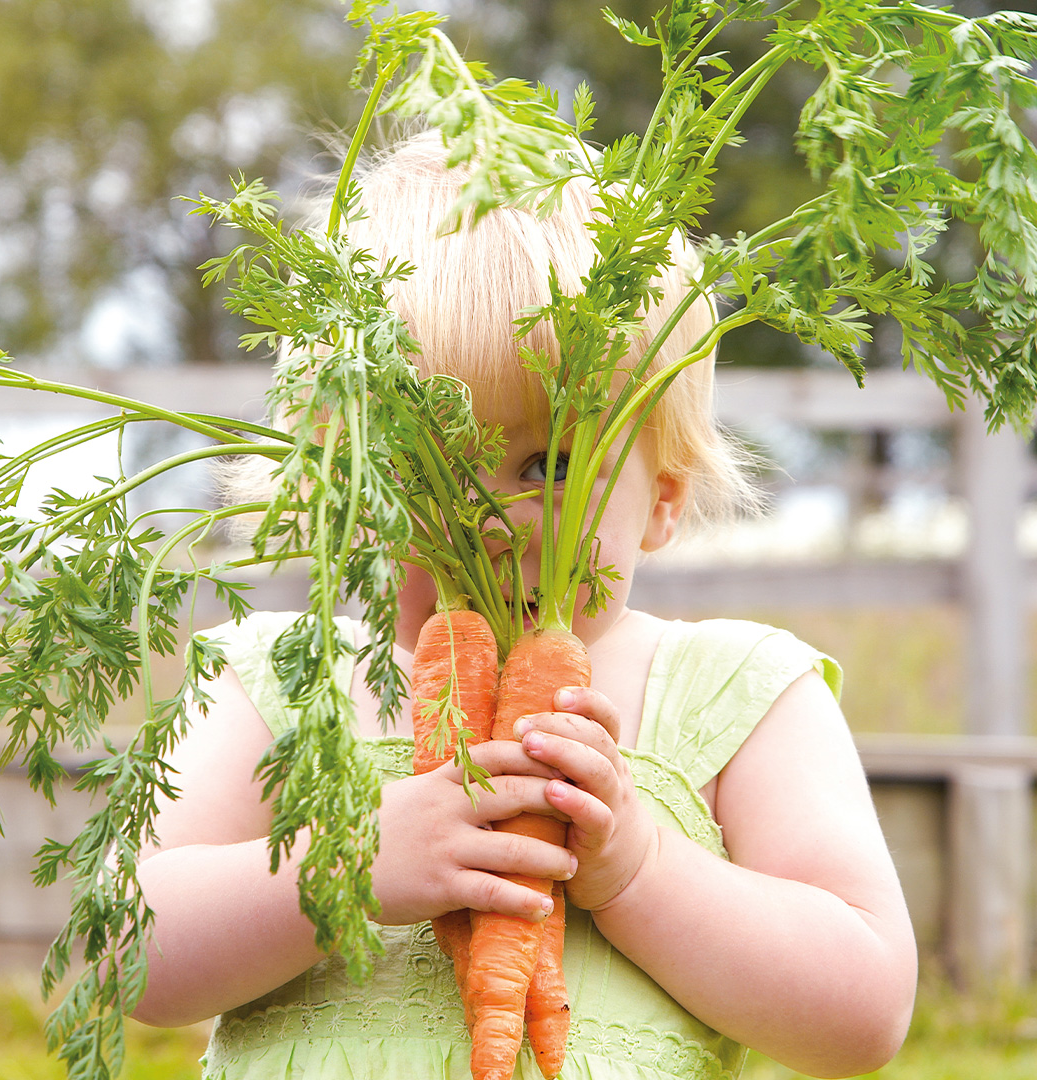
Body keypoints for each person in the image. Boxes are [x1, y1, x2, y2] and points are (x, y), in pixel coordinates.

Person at [129, 132, 918, 1080]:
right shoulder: (281, 681)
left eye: (547, 467)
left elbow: (863, 1014)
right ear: (340, 480)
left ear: (663, 498)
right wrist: (335, 867)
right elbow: (126, 952)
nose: (489, 523)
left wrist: (640, 871)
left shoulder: (739, 696)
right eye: (428, 466)